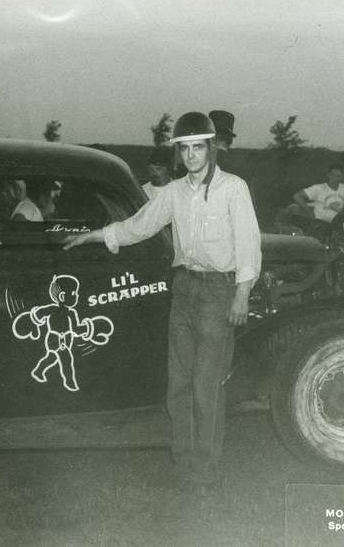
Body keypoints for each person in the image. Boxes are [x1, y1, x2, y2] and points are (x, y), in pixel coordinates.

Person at [64, 111, 261, 498]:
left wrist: (242, 293)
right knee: (180, 385)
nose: (191, 156)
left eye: (198, 147)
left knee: (207, 386)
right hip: (184, 289)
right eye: (184, 149)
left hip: (219, 292)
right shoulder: (172, 192)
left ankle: (205, 470)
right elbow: (138, 226)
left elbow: (249, 244)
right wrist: (91, 236)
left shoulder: (233, 188)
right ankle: (184, 460)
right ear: (178, 153)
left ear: (211, 148)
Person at [276, 165, 344, 237]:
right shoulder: (319, 188)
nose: (334, 178)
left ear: (342, 177)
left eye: (338, 176)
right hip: (321, 223)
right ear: (328, 175)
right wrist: (309, 212)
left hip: (340, 223)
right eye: (332, 175)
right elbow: (297, 196)